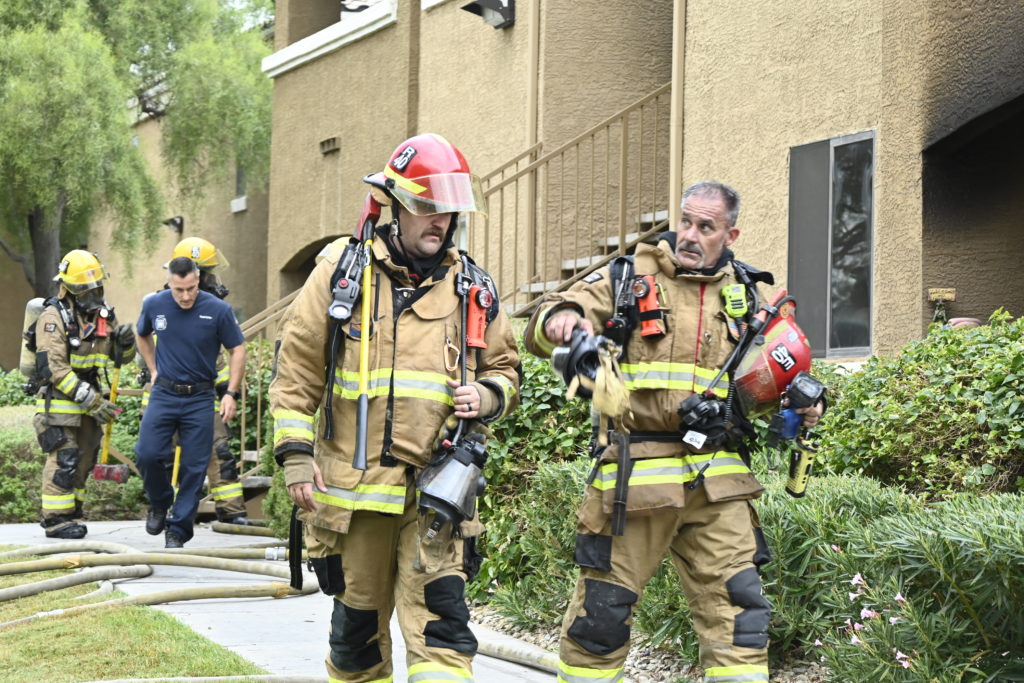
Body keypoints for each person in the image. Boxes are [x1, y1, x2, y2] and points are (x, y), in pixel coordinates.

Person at [524, 181, 824, 683]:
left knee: (741, 619)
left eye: (706, 226)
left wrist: (804, 404)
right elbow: (547, 319)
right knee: (600, 621)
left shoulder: (751, 297)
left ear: (730, 234)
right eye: (686, 221)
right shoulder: (627, 277)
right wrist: (562, 322)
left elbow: (778, 377)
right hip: (634, 484)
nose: (690, 234)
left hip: (718, 484)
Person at [269, 133, 521, 683]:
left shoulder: (472, 287)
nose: (441, 221)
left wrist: (489, 395)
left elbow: (505, 367)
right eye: (428, 207)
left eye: (448, 210)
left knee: (444, 634)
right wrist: (295, 455)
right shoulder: (343, 272)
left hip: (439, 495)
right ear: (395, 205)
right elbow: (296, 372)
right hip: (355, 495)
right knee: (356, 644)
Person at [138, 237, 252, 525]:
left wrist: (229, 392)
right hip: (162, 395)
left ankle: (231, 512)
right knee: (156, 457)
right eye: (209, 273)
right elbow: (144, 341)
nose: (213, 280)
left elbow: (230, 354)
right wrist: (154, 369)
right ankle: (162, 508)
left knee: (217, 451)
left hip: (202, 396)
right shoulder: (160, 304)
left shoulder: (215, 310)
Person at [33, 250, 135, 539]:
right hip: (61, 402)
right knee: (64, 457)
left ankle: (72, 513)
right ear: (69, 288)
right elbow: (54, 368)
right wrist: (91, 399)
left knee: (84, 459)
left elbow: (121, 358)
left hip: (90, 402)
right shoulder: (53, 317)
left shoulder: (103, 315)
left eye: (96, 286)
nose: (93, 293)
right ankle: (55, 520)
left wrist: (125, 344)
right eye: (85, 288)